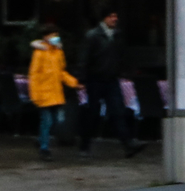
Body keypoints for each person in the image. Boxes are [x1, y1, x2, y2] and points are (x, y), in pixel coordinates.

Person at [77, 11, 141, 158]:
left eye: (116, 16)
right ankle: (85, 144)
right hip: (95, 80)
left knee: (118, 111)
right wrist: (82, 79)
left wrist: (126, 71)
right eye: (111, 16)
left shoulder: (116, 36)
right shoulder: (93, 36)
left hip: (111, 79)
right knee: (92, 113)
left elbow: (121, 56)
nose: (115, 19)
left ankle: (128, 144)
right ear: (104, 18)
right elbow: (84, 58)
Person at [27, 29, 78, 159]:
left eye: (56, 35)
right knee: (47, 121)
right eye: (53, 35)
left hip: (55, 93)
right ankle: (44, 148)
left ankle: (41, 140)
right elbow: (34, 75)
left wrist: (73, 83)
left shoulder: (58, 52)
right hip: (44, 93)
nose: (56, 37)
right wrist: (35, 94)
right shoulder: (40, 53)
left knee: (55, 121)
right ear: (46, 36)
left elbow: (61, 72)